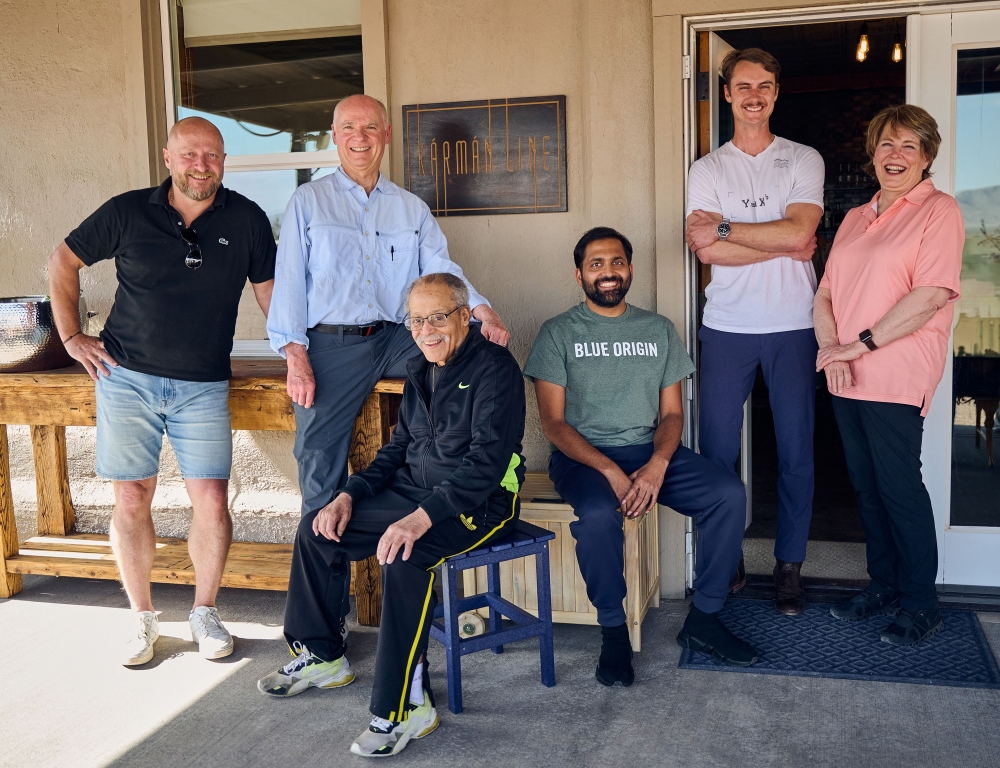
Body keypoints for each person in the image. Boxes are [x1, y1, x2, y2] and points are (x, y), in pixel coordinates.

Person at [258, 273, 526, 758]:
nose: (427, 330)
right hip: (412, 491)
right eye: (417, 319)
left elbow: (486, 465)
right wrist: (349, 495)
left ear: (465, 316)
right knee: (318, 529)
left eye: (438, 317)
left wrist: (421, 518)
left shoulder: (495, 369)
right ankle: (321, 654)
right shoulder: (419, 367)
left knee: (404, 556)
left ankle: (406, 707)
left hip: (478, 503)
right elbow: (398, 449)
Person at [46, 117, 276, 665]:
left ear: (224, 160)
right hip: (125, 378)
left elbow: (272, 294)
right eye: (191, 154)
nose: (202, 164)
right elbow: (63, 260)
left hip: (203, 384)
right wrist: (72, 336)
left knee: (212, 501)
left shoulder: (247, 219)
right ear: (168, 158)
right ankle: (142, 619)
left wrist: (295, 352)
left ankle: (205, 613)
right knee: (131, 497)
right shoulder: (128, 211)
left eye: (213, 155)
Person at [523, 227, 756, 685]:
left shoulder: (658, 329)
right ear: (579, 275)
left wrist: (657, 464)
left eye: (616, 263)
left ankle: (705, 619)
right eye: (596, 264)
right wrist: (610, 469)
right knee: (596, 515)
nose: (607, 272)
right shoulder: (557, 333)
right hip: (584, 459)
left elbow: (671, 415)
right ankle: (613, 630)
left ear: (629, 270)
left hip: (649, 452)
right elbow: (554, 424)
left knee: (728, 494)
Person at [266, 94, 510, 520]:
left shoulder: (409, 207)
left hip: (398, 337)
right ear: (335, 136)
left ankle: (476, 475)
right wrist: (294, 353)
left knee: (478, 353)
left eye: (370, 128)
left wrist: (481, 310)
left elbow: (442, 272)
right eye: (349, 129)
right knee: (318, 463)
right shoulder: (309, 201)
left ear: (387, 135)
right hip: (331, 345)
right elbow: (287, 282)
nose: (360, 138)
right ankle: (324, 572)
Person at [814, 105, 962, 646]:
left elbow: (929, 296)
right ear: (872, 153)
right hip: (846, 371)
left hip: (896, 370)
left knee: (898, 487)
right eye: (886, 145)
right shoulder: (856, 216)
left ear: (926, 157)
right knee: (866, 486)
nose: (894, 156)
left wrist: (861, 344)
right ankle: (883, 585)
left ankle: (922, 601)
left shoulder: (939, 211)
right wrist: (832, 348)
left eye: (908, 147)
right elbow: (826, 292)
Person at [685, 48, 824, 615]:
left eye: (764, 85)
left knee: (796, 452)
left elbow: (802, 232)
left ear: (775, 92)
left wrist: (726, 229)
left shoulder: (801, 159)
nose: (754, 95)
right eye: (743, 85)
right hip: (727, 326)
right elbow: (704, 248)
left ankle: (789, 567)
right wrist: (776, 239)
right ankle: (726, 556)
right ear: (727, 94)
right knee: (718, 452)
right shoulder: (708, 168)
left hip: (794, 323)